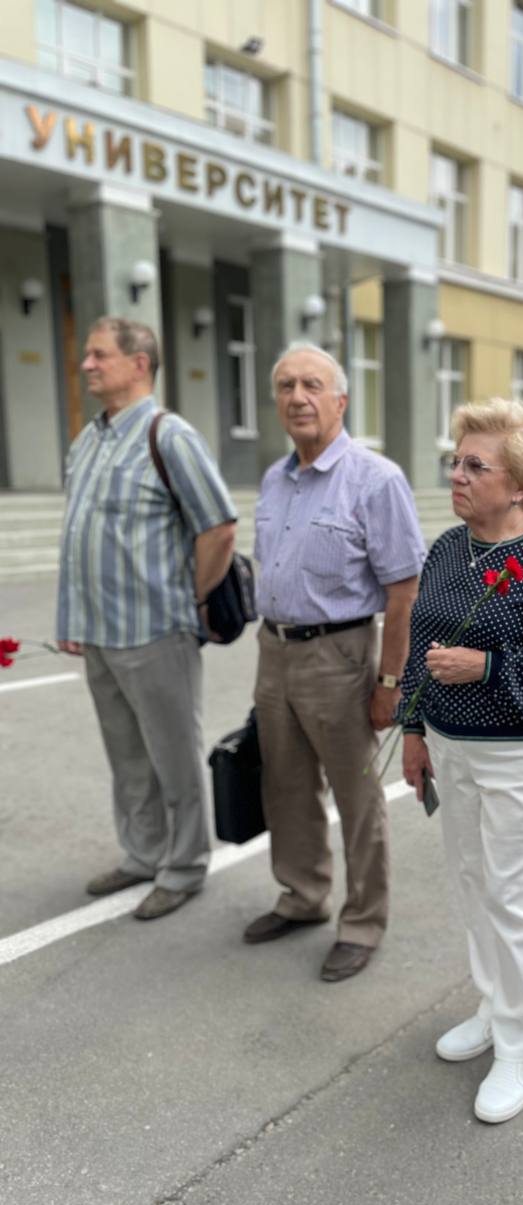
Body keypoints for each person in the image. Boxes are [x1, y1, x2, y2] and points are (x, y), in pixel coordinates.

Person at [401, 399, 523, 1123]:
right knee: (472, 883)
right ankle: (493, 1006)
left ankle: (521, 1044)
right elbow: (422, 643)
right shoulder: (448, 548)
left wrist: (486, 667)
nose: (457, 474)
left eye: (475, 466)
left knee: (515, 898)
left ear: (518, 485)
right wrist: (413, 728)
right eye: (456, 461)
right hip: (450, 746)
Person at [244, 343, 424, 983]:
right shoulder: (275, 479)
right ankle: (303, 895)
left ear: (340, 400)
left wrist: (390, 682)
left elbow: (404, 591)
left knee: (356, 795)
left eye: (312, 385)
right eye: (286, 385)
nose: (298, 397)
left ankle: (363, 921)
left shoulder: (376, 479)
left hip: (340, 654)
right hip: (274, 650)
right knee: (286, 784)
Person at [57, 317, 238, 920]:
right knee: (128, 757)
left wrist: (190, 599)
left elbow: (218, 527)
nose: (87, 364)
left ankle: (184, 866)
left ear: (139, 364)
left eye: (99, 354)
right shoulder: (88, 441)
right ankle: (143, 853)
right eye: (87, 355)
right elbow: (78, 535)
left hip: (156, 630)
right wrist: (71, 617)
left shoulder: (170, 436)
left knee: (173, 757)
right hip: (100, 631)